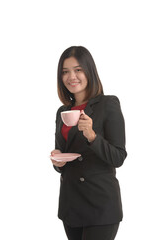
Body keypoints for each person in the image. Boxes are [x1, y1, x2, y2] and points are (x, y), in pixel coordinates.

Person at [50, 46, 127, 240]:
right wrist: (58, 161)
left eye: (78, 70)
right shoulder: (62, 112)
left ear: (89, 71)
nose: (71, 77)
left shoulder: (108, 105)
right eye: (65, 72)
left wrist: (92, 136)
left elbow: (118, 157)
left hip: (100, 204)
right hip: (71, 203)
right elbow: (66, 155)